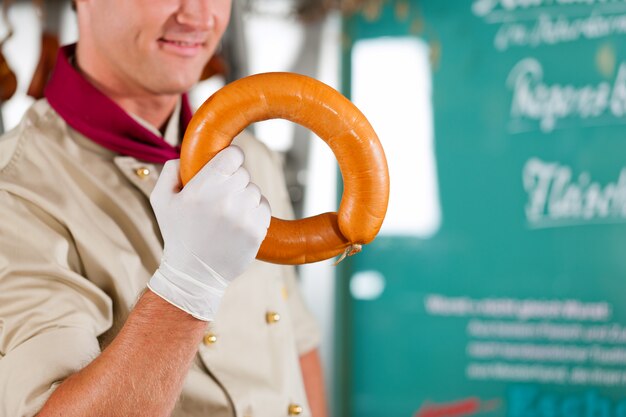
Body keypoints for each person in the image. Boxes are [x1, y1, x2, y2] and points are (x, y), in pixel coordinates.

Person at [0, 0, 328, 416]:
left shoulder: (253, 158)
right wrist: (188, 286)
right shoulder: (14, 192)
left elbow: (297, 343)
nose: (199, 15)